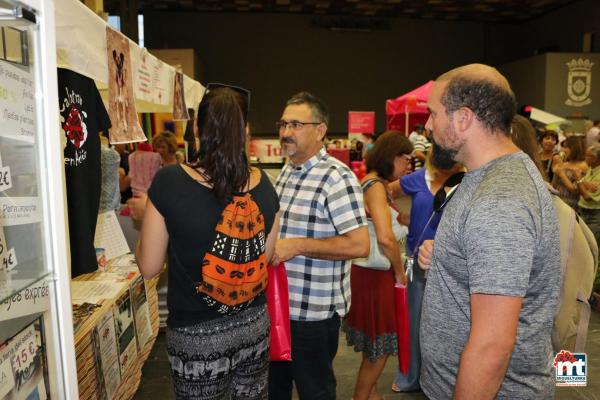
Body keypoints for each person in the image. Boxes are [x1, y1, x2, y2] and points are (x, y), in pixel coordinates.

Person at [417, 64, 560, 399]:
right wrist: (449, 255)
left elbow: (492, 347)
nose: (427, 125)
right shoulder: (486, 178)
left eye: (433, 113)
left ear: (463, 118)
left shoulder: (498, 201)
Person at [135, 87, 280, 399]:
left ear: (198, 129)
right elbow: (264, 256)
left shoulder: (170, 182)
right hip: (254, 326)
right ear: (246, 133)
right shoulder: (265, 184)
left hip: (196, 337)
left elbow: (148, 266)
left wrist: (144, 217)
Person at [269, 91, 369, 400]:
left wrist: (297, 245)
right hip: (279, 307)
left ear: (320, 130)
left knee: (316, 392)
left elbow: (359, 245)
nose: (286, 132)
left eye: (296, 124)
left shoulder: (337, 179)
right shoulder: (287, 171)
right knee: (275, 390)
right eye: (284, 124)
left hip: (312, 316)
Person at [388, 140, 464, 393]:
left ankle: (442, 378)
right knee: (414, 319)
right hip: (416, 260)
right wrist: (401, 220)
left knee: (447, 323)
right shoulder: (420, 178)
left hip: (450, 262)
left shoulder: (467, 180)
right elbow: (385, 192)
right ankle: (410, 376)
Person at [342, 131, 412, 400]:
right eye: (404, 159)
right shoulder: (376, 187)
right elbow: (385, 238)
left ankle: (370, 393)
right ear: (390, 156)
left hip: (368, 274)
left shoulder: (375, 183)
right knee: (381, 346)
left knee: (375, 345)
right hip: (376, 275)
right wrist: (399, 273)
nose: (407, 165)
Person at [552, 135, 588, 210]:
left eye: (566, 147)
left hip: (571, 206)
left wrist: (561, 174)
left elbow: (575, 190)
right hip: (557, 202)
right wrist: (556, 172)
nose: (562, 150)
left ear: (574, 148)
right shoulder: (564, 163)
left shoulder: (583, 166)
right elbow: (554, 186)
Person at [578, 144, 600, 246]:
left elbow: (587, 197)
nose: (585, 158)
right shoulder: (590, 169)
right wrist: (584, 184)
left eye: (589, 156)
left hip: (595, 215)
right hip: (583, 211)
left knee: (591, 245)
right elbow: (578, 187)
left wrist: (579, 180)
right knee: (582, 244)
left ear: (596, 159)